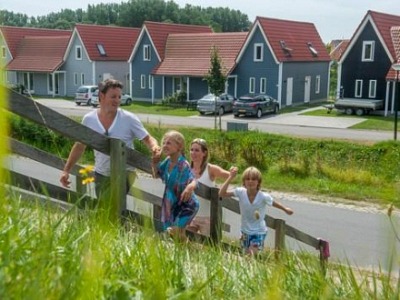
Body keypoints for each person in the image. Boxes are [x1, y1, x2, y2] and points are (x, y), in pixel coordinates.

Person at [60, 78, 161, 202]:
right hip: (101, 173)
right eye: (113, 97)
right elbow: (80, 146)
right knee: (105, 210)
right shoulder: (89, 119)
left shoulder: (129, 119)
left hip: (125, 173)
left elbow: (148, 138)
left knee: (112, 205)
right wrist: (66, 170)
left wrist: (155, 148)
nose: (117, 100)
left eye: (119, 97)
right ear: (101, 96)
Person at [219, 166, 294, 255]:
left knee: (250, 254)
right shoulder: (240, 192)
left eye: (254, 179)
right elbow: (221, 193)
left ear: (258, 182)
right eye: (248, 179)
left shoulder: (263, 196)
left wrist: (285, 209)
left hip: (259, 231)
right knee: (245, 255)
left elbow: (273, 203)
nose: (250, 181)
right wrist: (230, 177)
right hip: (245, 231)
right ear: (244, 181)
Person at [152, 130, 199, 241]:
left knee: (174, 230)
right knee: (176, 235)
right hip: (171, 205)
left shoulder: (183, 164)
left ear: (179, 146)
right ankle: (189, 253)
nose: (165, 145)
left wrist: (190, 187)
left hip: (186, 205)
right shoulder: (167, 161)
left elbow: (194, 180)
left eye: (169, 143)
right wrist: (154, 162)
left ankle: (189, 251)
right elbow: (156, 174)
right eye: (164, 142)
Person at [186, 138, 231, 235]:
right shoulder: (187, 169)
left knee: (207, 246)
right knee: (185, 240)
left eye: (197, 150)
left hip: (208, 217)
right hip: (191, 215)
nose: (193, 153)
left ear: (204, 153)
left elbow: (230, 175)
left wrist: (221, 190)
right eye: (192, 150)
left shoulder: (210, 169)